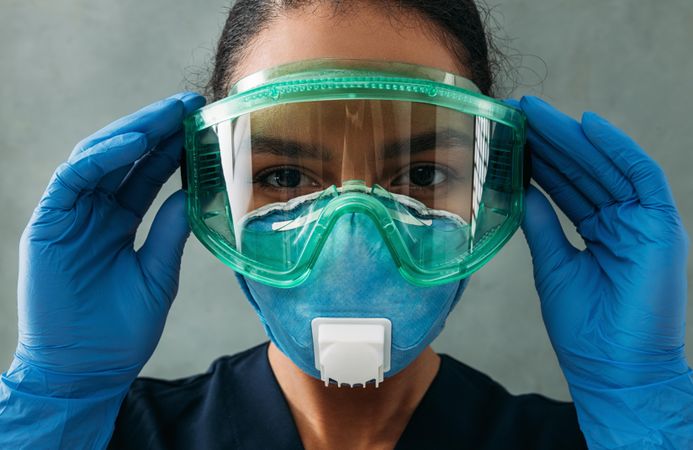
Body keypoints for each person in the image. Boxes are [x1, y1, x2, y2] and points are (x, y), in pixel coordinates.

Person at [1, 0, 691, 449]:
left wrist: (642, 415)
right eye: (283, 176)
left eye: (421, 176)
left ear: (491, 194)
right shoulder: (108, 438)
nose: (352, 236)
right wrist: (54, 408)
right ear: (212, 196)